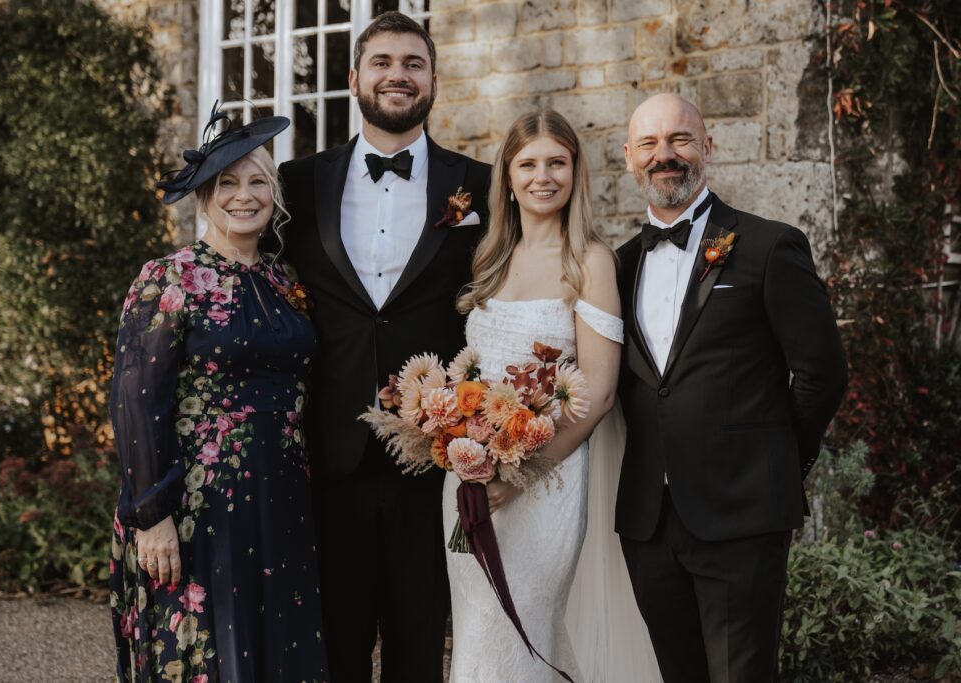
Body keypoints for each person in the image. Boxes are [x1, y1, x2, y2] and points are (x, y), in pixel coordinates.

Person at [277, 12, 491, 682]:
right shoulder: (297, 184)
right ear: (353, 79)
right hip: (327, 451)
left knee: (420, 640)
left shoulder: (480, 185)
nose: (398, 75)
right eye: (383, 62)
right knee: (332, 640)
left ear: (433, 81)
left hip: (429, 457)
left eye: (414, 64)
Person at [614, 93, 848, 682]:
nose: (665, 156)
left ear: (708, 147)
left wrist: (776, 460)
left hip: (742, 516)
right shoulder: (614, 268)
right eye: (649, 144)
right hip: (649, 522)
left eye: (680, 140)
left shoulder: (770, 247)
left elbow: (822, 373)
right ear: (628, 158)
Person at [108, 106, 328, 682]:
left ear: (274, 194)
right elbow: (135, 401)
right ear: (203, 193)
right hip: (200, 507)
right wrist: (151, 516)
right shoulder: (169, 278)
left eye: (258, 181)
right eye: (227, 182)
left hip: (283, 497)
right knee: (212, 656)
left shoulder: (285, 280)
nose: (244, 195)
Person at [446, 109, 656, 682]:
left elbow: (602, 393)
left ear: (575, 172)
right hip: (468, 482)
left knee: (525, 624)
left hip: (545, 481)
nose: (544, 176)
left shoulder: (590, 261)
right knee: (475, 627)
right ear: (508, 178)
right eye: (529, 164)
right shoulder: (489, 259)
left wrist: (515, 476)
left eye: (557, 163)